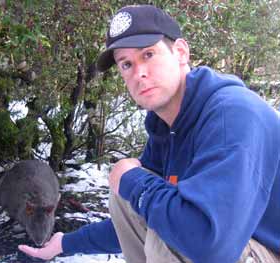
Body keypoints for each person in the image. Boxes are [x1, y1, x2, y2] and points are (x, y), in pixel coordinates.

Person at [18, 5, 280, 263]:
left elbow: (206, 244)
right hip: (229, 245)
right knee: (129, 197)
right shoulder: (165, 125)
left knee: (162, 220)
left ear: (180, 52)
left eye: (149, 55)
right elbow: (139, 217)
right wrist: (65, 244)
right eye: (126, 64)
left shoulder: (231, 116)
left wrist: (133, 181)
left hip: (259, 250)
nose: (139, 73)